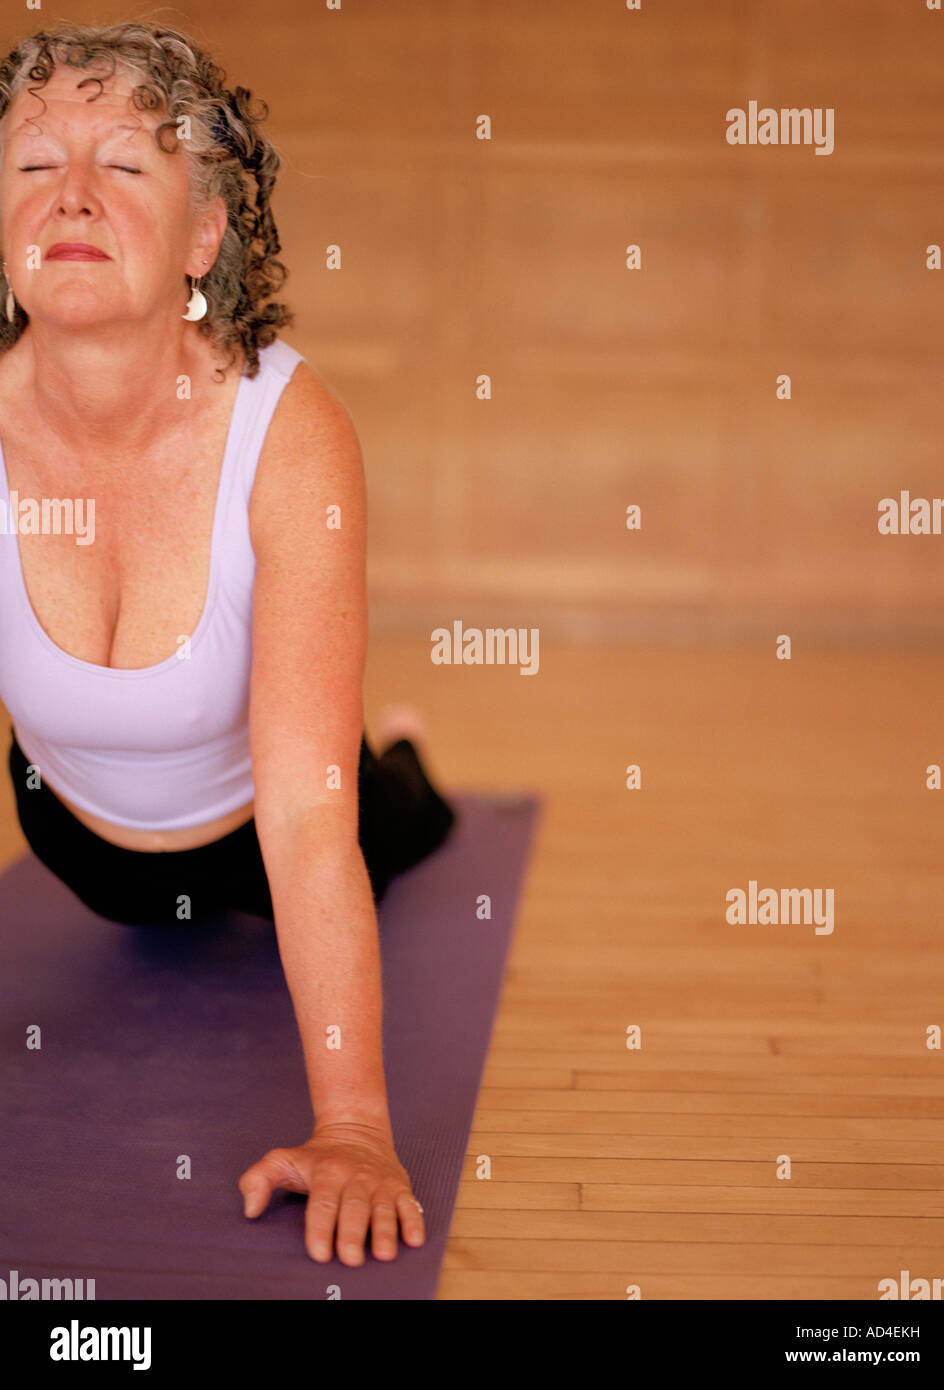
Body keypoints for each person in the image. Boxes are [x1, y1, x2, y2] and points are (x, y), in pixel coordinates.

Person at [0, 21, 458, 1269]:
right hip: (67, 832)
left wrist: (354, 1122)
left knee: (392, 817)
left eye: (126, 166)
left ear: (206, 232)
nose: (74, 194)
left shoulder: (291, 434)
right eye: (36, 164)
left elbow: (309, 826)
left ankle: (410, 763)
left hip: (268, 828)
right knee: (155, 911)